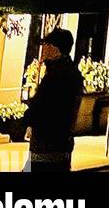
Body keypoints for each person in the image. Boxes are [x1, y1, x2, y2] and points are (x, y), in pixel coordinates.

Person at [22, 29, 85, 173]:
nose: (43, 48)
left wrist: (28, 117)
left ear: (55, 48)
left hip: (47, 145)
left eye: (46, 44)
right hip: (59, 144)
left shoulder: (57, 75)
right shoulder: (69, 72)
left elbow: (45, 107)